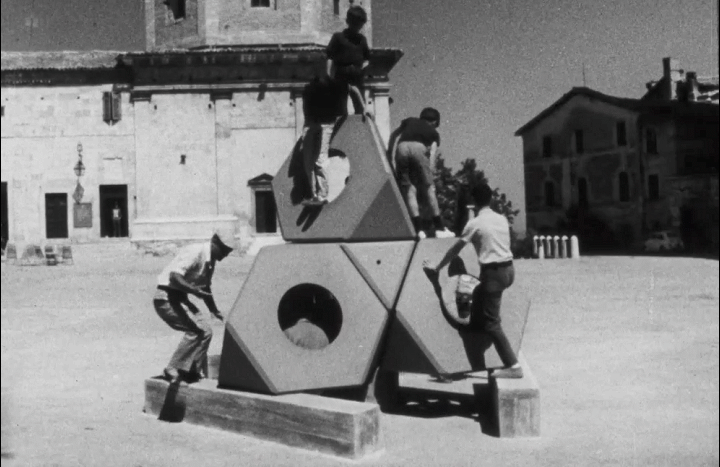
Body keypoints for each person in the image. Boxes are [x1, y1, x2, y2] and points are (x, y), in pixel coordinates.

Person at [423, 183, 522, 379]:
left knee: (491, 324)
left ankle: (513, 365)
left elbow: (455, 249)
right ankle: (478, 353)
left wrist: (437, 268)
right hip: (509, 270)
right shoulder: (501, 219)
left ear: (474, 202)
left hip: (493, 274)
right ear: (490, 199)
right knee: (478, 299)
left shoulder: (474, 224)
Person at [153, 231, 234, 383]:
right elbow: (174, 276)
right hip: (166, 298)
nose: (226, 255)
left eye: (228, 251)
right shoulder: (196, 251)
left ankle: (190, 371)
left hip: (180, 298)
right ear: (214, 242)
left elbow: (205, 288)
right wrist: (194, 290)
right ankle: (173, 367)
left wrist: (214, 310)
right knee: (196, 330)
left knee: (206, 332)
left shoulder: (210, 261)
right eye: (224, 250)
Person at [388, 107, 454, 239]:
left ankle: (418, 230)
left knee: (409, 189)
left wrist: (389, 153)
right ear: (434, 122)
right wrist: (430, 175)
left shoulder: (409, 121)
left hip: (401, 148)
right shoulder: (434, 133)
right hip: (419, 148)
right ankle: (439, 228)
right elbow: (432, 154)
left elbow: (394, 135)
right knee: (430, 189)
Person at [300, 77, 346, 206]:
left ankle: (321, 195)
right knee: (310, 161)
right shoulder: (310, 88)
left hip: (324, 123)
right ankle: (315, 194)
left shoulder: (328, 86)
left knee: (320, 159)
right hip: (314, 123)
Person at [326, 5, 370, 116]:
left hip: (357, 76)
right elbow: (330, 57)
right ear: (348, 22)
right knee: (340, 109)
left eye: (360, 24)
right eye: (355, 23)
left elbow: (367, 58)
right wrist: (329, 76)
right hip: (341, 75)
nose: (358, 27)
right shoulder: (338, 37)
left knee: (360, 108)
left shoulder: (362, 40)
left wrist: (363, 71)